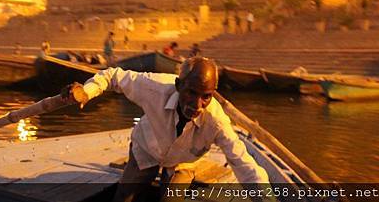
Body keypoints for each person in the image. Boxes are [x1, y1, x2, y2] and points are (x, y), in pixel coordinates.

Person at [62, 57, 269, 202]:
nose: (197, 104)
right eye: (191, 92)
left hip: (181, 163)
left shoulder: (217, 122)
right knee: (123, 197)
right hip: (146, 150)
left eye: (206, 96)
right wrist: (86, 91)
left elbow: (244, 165)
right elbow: (113, 76)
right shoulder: (154, 88)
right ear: (178, 86)